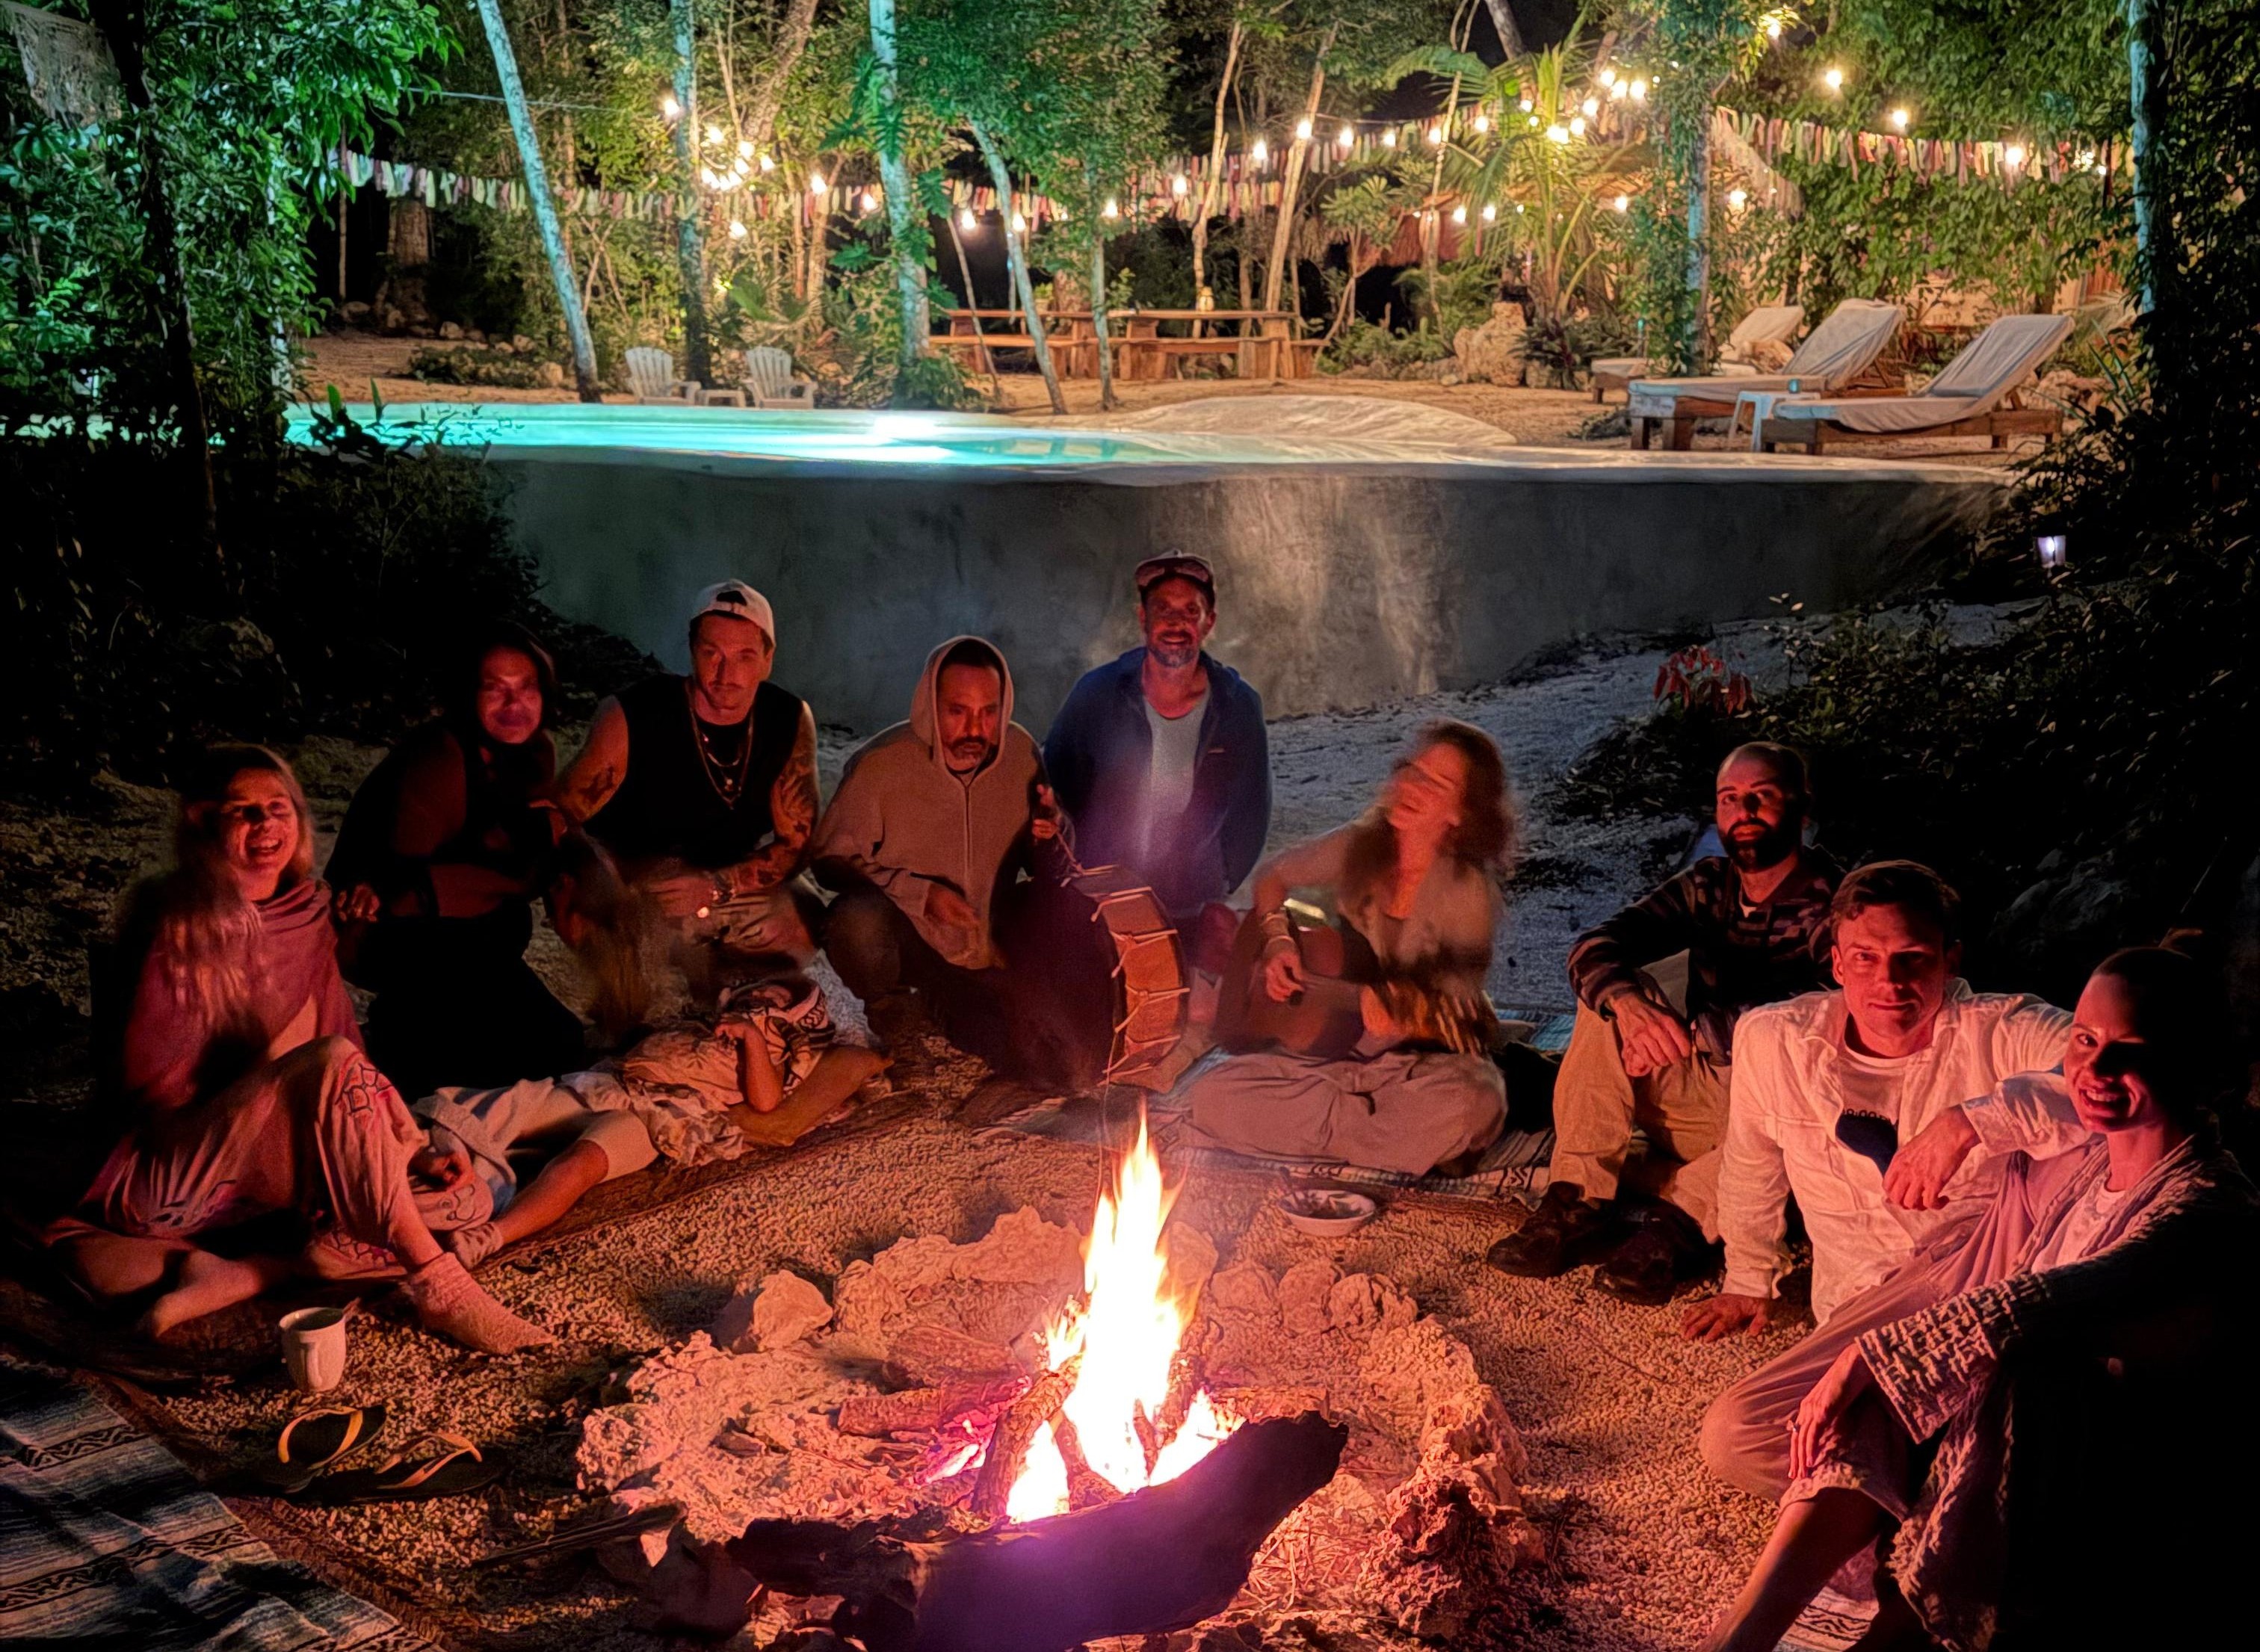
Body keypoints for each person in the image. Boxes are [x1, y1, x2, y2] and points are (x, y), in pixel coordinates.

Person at [1696, 947, 2260, 1651]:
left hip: (2114, 1482)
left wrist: (1872, 1355)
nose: (2096, 1070)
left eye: (2131, 1051)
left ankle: (1910, 1625)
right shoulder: (2081, 1159)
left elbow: (2050, 1301)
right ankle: (1742, 1635)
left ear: (2191, 1061)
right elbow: (2031, 1121)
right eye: (2084, 1041)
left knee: (2018, 1366)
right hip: (1989, 1449)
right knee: (1874, 1397)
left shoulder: (2210, 1203)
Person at [1489, 741, 1840, 1302]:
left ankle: (1677, 1226)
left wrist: (1690, 1033)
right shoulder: (1709, 884)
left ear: (1801, 807)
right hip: (1699, 1096)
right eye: (1730, 800)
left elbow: (1824, 1016)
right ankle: (1578, 1198)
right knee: (1607, 997)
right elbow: (1595, 946)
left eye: (1762, 797)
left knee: (1803, 1139)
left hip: (1773, 1111)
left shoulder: (1833, 905)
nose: (1743, 813)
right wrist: (1632, 1008)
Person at [1683, 861, 2082, 1340]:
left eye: (1911, 957)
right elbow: (1752, 1165)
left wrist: (1970, 1122)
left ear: (1949, 960)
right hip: (1855, 1306)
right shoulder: (1775, 1041)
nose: (1889, 982)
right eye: (1865, 958)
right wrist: (1748, 1278)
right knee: (1743, 1417)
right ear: (1836, 964)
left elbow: (2116, 1062)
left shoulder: (2001, 1032)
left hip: (1980, 1291)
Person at [48, 1036, 555, 1352]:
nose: (269, 853)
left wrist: (414, 1154)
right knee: (331, 1056)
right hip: (174, 1174)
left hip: (260, 1204)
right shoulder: (184, 918)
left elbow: (363, 1095)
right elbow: (152, 1085)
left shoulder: (305, 927)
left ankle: (259, 1268)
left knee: (470, 1203)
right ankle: (439, 1284)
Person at [1179, 721, 1513, 1177]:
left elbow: (1446, 1007)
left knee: (1479, 1101)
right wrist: (1278, 943)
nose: (1412, 785)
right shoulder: (1364, 844)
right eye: (1411, 770)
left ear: (1461, 814)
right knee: (1210, 1095)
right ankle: (1384, 1141)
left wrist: (1397, 1010)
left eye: (1436, 783)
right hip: (1334, 1063)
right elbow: (1272, 877)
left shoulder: (1467, 892)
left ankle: (1334, 1135)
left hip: (1421, 1068)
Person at [416, 977, 883, 1266]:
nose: (760, 997)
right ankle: (420, 1149)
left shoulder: (773, 1052)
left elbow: (764, 1102)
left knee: (581, 1164)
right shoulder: (709, 1023)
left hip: (660, 1118)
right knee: (517, 1106)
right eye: (759, 990)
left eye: (773, 999)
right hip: (613, 1086)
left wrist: (753, 1042)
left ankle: (491, 1236)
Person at [812, 637, 1087, 1088]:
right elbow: (828, 861)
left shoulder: (1019, 757)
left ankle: (949, 1010)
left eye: (989, 712)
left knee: (1058, 1064)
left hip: (984, 943)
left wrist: (1053, 832)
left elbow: (1050, 870)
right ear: (929, 705)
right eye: (958, 711)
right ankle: (894, 1018)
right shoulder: (883, 765)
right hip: (906, 939)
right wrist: (922, 896)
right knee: (855, 921)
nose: (975, 730)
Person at [327, 624, 584, 1098]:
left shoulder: (535, 753)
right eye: (495, 689)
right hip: (389, 929)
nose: (514, 705)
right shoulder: (439, 756)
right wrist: (528, 864)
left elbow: (526, 848)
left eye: (526, 687)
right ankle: (399, 1040)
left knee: (561, 1048)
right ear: (468, 694)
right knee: (481, 1067)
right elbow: (406, 888)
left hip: (467, 925)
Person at [553, 581, 820, 988]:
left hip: (721, 872)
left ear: (768, 659)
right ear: (693, 649)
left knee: (803, 923)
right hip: (637, 875)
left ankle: (720, 988)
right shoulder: (634, 714)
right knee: (609, 939)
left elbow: (797, 842)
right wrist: (604, 880)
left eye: (744, 656)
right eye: (712, 653)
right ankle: (626, 999)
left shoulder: (788, 719)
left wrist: (716, 887)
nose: (726, 674)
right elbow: (560, 815)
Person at [110, 744, 370, 1116]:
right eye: (241, 810)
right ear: (205, 822)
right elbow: (156, 1084)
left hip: (311, 1117)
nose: (265, 822)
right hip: (210, 1133)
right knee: (331, 1060)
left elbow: (346, 1042)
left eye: (278, 807)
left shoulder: (308, 914)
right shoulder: (181, 926)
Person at [1043, 554, 1270, 921]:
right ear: (1143, 619)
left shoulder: (1237, 706)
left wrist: (1221, 880)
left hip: (1194, 904)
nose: (1176, 623)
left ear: (1208, 622)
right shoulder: (1097, 694)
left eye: (1190, 611)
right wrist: (1083, 873)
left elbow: (1251, 811)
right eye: (1163, 609)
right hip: (1105, 902)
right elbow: (1057, 789)